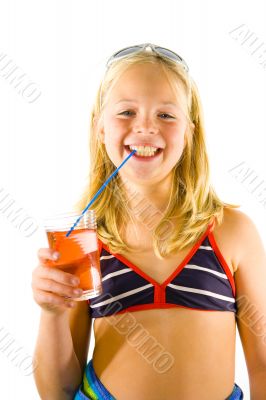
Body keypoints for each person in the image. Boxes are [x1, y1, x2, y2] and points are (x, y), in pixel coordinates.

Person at [31, 43, 266, 399]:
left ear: (189, 132)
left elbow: (262, 365)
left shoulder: (232, 231)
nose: (145, 127)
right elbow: (57, 390)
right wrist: (51, 313)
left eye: (166, 115)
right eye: (126, 112)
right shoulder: (83, 239)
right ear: (100, 129)